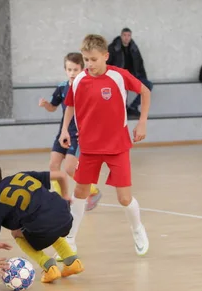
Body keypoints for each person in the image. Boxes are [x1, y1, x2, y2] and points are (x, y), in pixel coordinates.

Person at [60, 34, 151, 256]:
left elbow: (145, 92)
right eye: (86, 60)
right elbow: (70, 105)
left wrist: (142, 123)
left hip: (117, 146)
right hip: (89, 147)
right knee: (80, 192)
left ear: (105, 56)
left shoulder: (119, 76)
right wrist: (64, 129)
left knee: (124, 198)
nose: (89, 64)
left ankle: (137, 229)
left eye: (93, 59)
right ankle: (70, 239)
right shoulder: (79, 79)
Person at [0, 158, 84, 288]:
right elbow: (61, 175)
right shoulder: (20, 175)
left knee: (16, 232)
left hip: (44, 228)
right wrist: (66, 196)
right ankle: (72, 261)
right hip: (65, 217)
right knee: (44, 222)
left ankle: (48, 266)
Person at [39, 52, 102, 211]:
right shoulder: (62, 87)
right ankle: (61, 201)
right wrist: (46, 105)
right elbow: (53, 107)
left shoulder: (88, 87)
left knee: (70, 168)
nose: (72, 73)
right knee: (53, 165)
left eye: (75, 69)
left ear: (83, 69)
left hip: (79, 134)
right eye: (69, 69)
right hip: (64, 132)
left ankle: (93, 191)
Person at [107, 28, 153, 117]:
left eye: (128, 35)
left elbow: (140, 63)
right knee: (123, 88)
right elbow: (107, 64)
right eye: (124, 35)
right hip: (119, 76)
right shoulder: (113, 48)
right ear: (121, 36)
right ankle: (123, 109)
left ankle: (132, 107)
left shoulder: (134, 48)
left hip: (133, 76)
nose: (126, 38)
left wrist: (143, 79)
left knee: (148, 86)